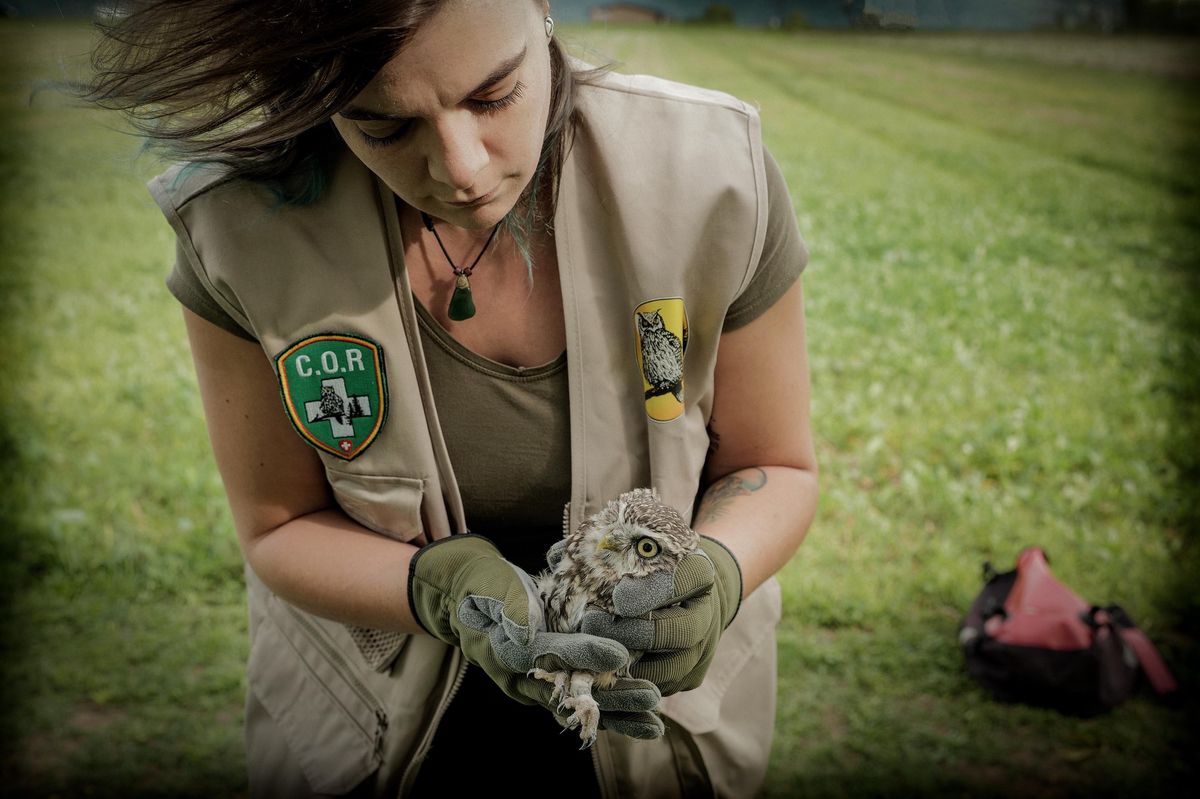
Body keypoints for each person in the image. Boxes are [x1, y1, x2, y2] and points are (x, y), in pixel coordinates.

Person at [86, 1, 818, 796]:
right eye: (385, 127)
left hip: (655, 734)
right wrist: (436, 586)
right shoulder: (239, 228)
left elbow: (775, 464)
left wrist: (715, 575)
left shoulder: (711, 174)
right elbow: (277, 526)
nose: (461, 167)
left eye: (494, 95)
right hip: (377, 736)